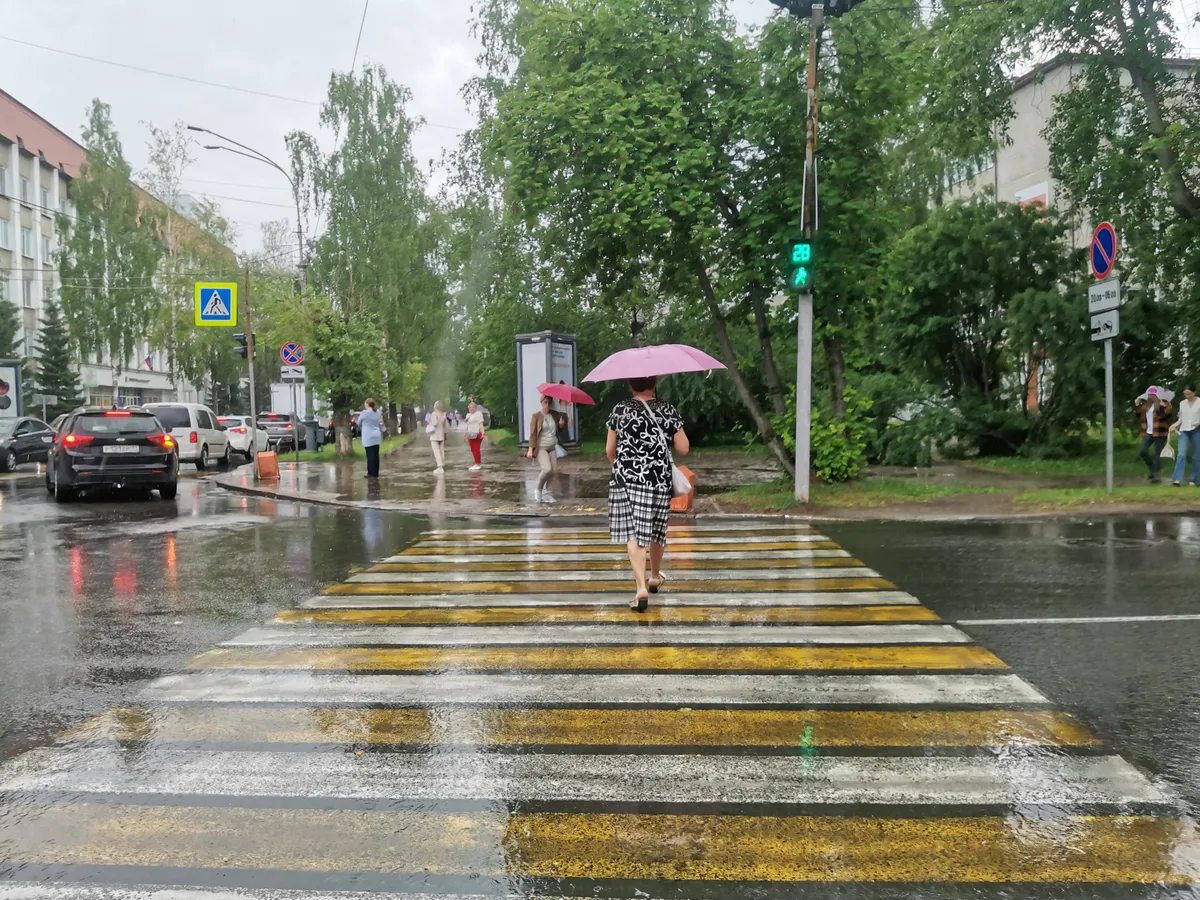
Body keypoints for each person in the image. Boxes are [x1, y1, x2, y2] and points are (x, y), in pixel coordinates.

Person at [606, 376, 689, 611]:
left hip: (627, 480)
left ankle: (641, 588)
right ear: (654, 384)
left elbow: (610, 450)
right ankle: (653, 577)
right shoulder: (667, 409)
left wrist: (622, 467)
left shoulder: (620, 409)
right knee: (656, 531)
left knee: (634, 533)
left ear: (630, 385)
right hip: (659, 480)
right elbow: (683, 448)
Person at [1137, 388, 1174, 483]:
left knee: (1157, 453)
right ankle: (1153, 469)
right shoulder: (1146, 405)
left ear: (1157, 395)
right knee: (1142, 451)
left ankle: (1156, 475)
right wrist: (1138, 404)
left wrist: (1162, 407)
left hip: (1160, 432)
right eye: (1149, 395)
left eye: (1152, 395)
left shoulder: (1165, 404)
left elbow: (1167, 415)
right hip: (1148, 432)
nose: (1150, 396)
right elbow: (1139, 416)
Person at [527, 395, 560, 502]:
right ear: (541, 402)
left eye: (550, 402)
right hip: (541, 447)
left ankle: (549, 494)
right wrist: (530, 449)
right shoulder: (536, 416)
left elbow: (558, 431)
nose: (548, 405)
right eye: (545, 402)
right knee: (547, 469)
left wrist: (561, 425)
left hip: (552, 447)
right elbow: (533, 434)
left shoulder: (555, 414)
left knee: (553, 471)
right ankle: (538, 489)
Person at [1169, 385, 1200, 487]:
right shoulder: (1182, 403)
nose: (1187, 396)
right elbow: (1181, 419)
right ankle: (1177, 479)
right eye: (1185, 394)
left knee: (1197, 456)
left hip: (1196, 431)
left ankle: (1194, 480)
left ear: (1194, 393)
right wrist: (1173, 426)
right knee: (1181, 454)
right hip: (1184, 431)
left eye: (1189, 394)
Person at [359, 398, 383, 478]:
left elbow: (359, 422)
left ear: (367, 404)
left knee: (370, 455)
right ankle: (376, 472)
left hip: (368, 436)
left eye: (365, 403)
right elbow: (380, 422)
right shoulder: (378, 412)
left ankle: (371, 473)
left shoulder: (364, 413)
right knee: (376, 455)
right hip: (376, 435)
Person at [464, 400, 486, 471]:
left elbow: (480, 424)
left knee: (476, 449)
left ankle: (478, 463)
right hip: (470, 434)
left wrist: (483, 433)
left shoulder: (478, 414)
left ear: (475, 408)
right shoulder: (468, 415)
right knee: (472, 449)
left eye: (472, 407)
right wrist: (465, 434)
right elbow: (467, 425)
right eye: (469, 408)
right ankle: (476, 462)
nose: (470, 409)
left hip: (477, 433)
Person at [429, 400, 448, 475]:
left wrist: (430, 422)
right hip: (441, 435)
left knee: (436, 452)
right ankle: (442, 465)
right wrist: (445, 434)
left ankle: (440, 467)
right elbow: (446, 426)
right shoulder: (444, 415)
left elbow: (434, 423)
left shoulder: (434, 414)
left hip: (434, 436)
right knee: (441, 451)